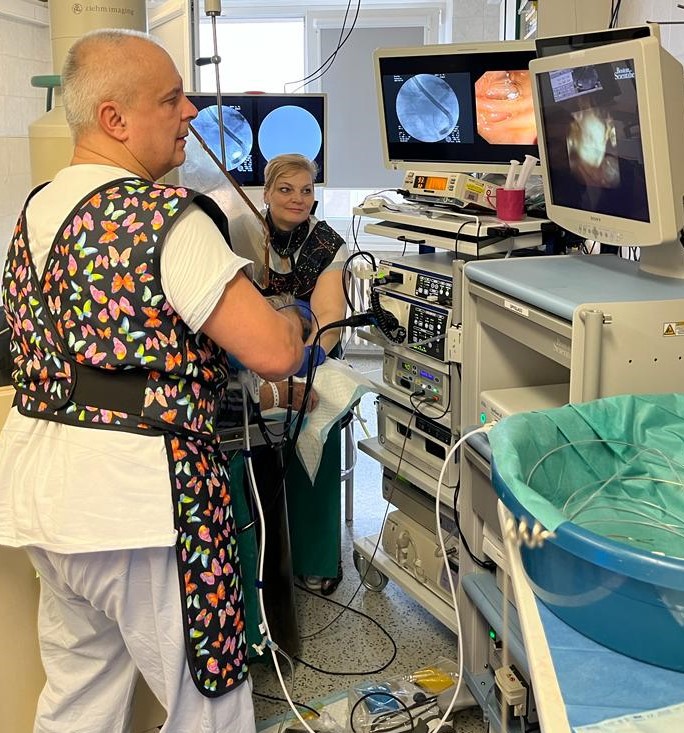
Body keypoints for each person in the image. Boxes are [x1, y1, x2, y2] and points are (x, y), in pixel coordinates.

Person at [0, 29, 306, 733]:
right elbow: (272, 354)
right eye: (170, 99)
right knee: (209, 703)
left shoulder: (35, 211)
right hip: (142, 503)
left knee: (80, 695)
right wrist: (290, 318)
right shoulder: (164, 218)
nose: (190, 111)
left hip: (46, 500)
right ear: (114, 119)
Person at [254, 153, 349, 595]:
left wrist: (302, 362)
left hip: (313, 354)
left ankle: (315, 557)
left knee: (317, 417)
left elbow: (328, 318)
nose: (297, 199)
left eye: (306, 190)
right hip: (253, 353)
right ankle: (261, 550)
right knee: (243, 420)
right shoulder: (243, 233)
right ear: (267, 193)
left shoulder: (327, 244)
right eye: (286, 189)